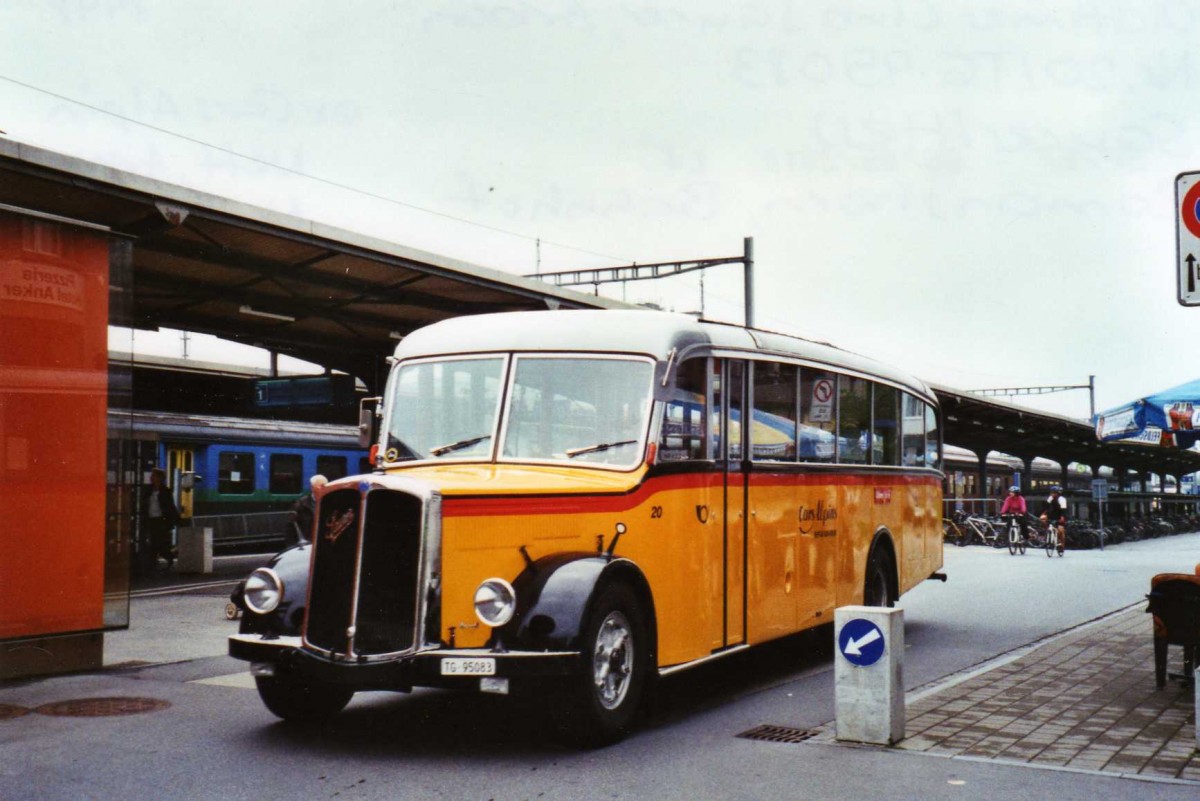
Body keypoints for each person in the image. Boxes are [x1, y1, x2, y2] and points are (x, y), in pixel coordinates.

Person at [142, 468, 181, 570]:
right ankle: (164, 558)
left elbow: (170, 506)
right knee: (154, 541)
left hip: (161, 520)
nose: (151, 477)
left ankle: (163, 558)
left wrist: (176, 519)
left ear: (159, 478)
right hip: (150, 518)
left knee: (157, 541)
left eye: (153, 476)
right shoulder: (148, 489)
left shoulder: (165, 491)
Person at [289, 474, 328, 544]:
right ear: (312, 487)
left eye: (325, 486)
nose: (324, 488)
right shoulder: (300, 505)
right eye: (321, 486)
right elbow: (290, 529)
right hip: (308, 545)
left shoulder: (330, 502)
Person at [1039, 485, 1068, 556]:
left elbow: (1063, 510)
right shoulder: (1050, 498)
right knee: (1043, 520)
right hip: (1051, 515)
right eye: (1051, 492)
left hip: (1060, 515)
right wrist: (1043, 514)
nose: (1052, 494)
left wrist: (1062, 517)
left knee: (1060, 530)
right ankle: (1047, 532)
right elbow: (1046, 507)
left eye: (1054, 493)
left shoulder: (1062, 499)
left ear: (1058, 493)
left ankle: (1061, 544)